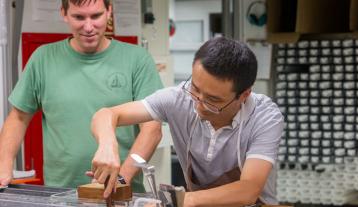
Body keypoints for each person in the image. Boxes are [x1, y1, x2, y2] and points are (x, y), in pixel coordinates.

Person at [90, 37, 284, 206]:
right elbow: (106, 114)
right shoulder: (178, 98)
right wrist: (107, 145)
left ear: (244, 95)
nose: (199, 105)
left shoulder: (264, 116)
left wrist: (181, 201)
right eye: (195, 89)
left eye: (213, 101)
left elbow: (248, 189)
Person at [0, 0, 163, 194]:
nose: (88, 27)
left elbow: (152, 129)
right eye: (79, 17)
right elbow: (18, 117)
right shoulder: (43, 58)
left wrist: (121, 180)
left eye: (96, 16)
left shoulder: (137, 59)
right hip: (59, 193)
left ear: (109, 11)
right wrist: (4, 166)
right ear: (64, 13)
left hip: (122, 194)